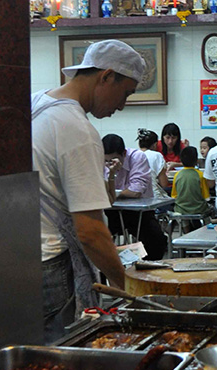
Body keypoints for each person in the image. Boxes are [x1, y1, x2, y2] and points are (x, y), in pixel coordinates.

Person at [31, 39, 144, 343]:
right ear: (106, 76)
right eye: (126, 93)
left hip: (24, 258)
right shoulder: (77, 129)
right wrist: (131, 290)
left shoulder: (36, 102)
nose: (122, 105)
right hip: (52, 267)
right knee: (56, 359)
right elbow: (90, 231)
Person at [102, 134, 167, 260]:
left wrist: (112, 192)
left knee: (157, 241)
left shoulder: (137, 157)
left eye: (114, 160)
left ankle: (145, 273)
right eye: (106, 161)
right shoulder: (98, 159)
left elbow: (136, 191)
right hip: (110, 210)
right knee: (98, 244)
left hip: (138, 211)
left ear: (124, 153)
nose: (110, 164)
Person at [172, 146, 211, 218]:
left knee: (181, 215)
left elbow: (174, 195)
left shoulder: (177, 175)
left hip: (181, 209)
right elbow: (206, 197)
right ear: (196, 160)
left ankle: (186, 229)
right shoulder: (201, 175)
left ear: (181, 160)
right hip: (199, 209)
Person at [137, 128, 170, 199]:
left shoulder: (133, 155)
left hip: (137, 197)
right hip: (154, 198)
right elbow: (164, 184)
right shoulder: (156, 156)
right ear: (155, 144)